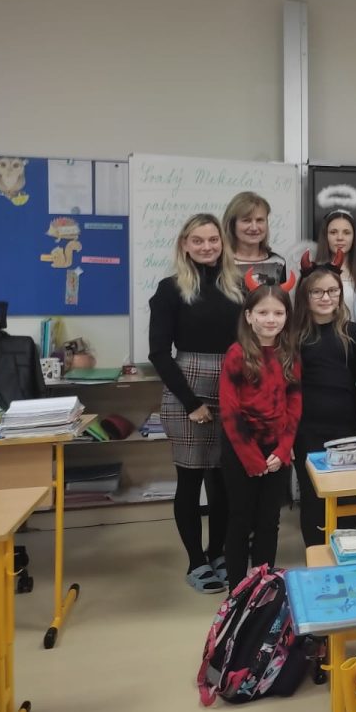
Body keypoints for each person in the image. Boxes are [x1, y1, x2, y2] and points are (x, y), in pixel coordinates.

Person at [148, 213, 243, 594]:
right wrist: (191, 403)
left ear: (223, 243)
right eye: (198, 240)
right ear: (185, 245)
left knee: (223, 481)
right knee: (190, 480)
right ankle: (196, 561)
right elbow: (159, 353)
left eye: (213, 240)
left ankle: (217, 552)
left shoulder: (237, 287)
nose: (207, 247)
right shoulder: (170, 289)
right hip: (187, 388)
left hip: (232, 385)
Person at [219, 281, 301, 592]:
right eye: (263, 312)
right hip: (242, 451)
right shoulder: (237, 354)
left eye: (278, 313)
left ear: (287, 316)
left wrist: (283, 448)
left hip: (276, 451)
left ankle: (263, 585)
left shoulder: (289, 353)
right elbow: (229, 410)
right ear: (249, 316)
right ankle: (237, 590)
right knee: (240, 520)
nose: (271, 319)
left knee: (269, 521)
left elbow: (295, 403)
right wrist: (251, 457)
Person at [292, 251, 356, 547]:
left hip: (346, 429)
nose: (325, 297)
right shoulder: (294, 335)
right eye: (317, 292)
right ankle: (316, 553)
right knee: (313, 495)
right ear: (305, 296)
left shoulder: (351, 332)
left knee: (347, 493)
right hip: (307, 430)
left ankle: (345, 550)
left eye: (332, 291)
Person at [222, 191, 286, 288]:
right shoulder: (220, 263)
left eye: (260, 220)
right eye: (246, 220)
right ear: (232, 224)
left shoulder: (277, 263)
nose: (254, 228)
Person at [315, 210, 356, 303]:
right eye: (333, 232)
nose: (340, 238)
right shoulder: (312, 273)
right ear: (325, 236)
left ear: (354, 237)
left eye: (346, 233)